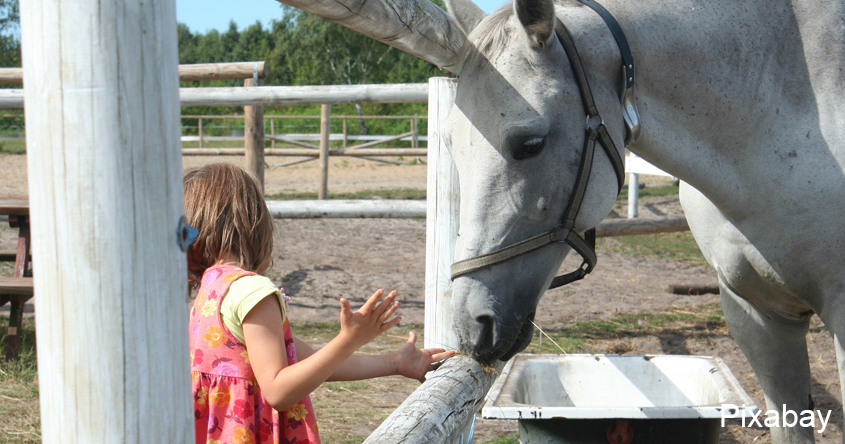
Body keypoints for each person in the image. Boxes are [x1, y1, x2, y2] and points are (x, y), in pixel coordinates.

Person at [184, 162, 454, 444]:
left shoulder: (211, 291)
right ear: (252, 220)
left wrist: (396, 363)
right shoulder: (251, 290)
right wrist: (349, 339)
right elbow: (278, 392)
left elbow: (315, 362)